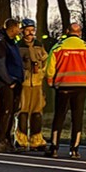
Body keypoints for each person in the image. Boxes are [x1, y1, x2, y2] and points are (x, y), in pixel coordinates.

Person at [44, 23, 86, 159]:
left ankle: (54, 148)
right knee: (77, 118)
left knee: (59, 117)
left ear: (67, 31)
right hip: (81, 87)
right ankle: (74, 149)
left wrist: (50, 82)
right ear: (79, 32)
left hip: (63, 86)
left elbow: (50, 68)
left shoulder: (58, 47)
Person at [0, 18, 24, 153]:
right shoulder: (1, 42)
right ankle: (1, 140)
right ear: (12, 28)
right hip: (7, 83)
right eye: (18, 27)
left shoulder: (11, 41)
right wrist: (8, 81)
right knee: (6, 111)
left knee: (11, 111)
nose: (20, 30)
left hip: (15, 81)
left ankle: (7, 140)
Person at [16, 18, 48, 151]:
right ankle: (21, 140)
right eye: (27, 30)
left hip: (37, 83)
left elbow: (45, 61)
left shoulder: (39, 45)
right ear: (22, 31)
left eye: (32, 30)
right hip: (23, 84)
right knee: (22, 111)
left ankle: (36, 140)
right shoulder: (18, 46)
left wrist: (40, 73)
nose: (30, 33)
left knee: (37, 112)